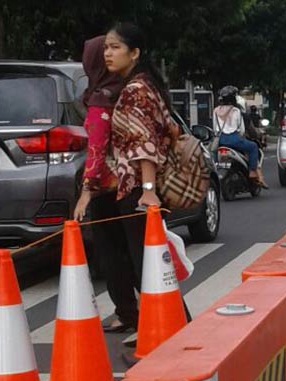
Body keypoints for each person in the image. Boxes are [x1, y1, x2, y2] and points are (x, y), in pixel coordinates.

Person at [76, 23, 182, 332]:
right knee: (144, 259)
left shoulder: (133, 90)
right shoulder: (142, 84)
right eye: (106, 48)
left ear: (134, 53)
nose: (108, 54)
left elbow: (144, 141)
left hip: (135, 186)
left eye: (115, 48)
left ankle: (170, 325)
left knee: (144, 260)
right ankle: (165, 322)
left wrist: (147, 189)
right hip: (130, 185)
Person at [214, 86, 268, 188]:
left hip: (220, 140)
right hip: (234, 139)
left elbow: (215, 127)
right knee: (253, 147)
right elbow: (241, 129)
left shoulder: (216, 110)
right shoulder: (236, 111)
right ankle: (252, 171)